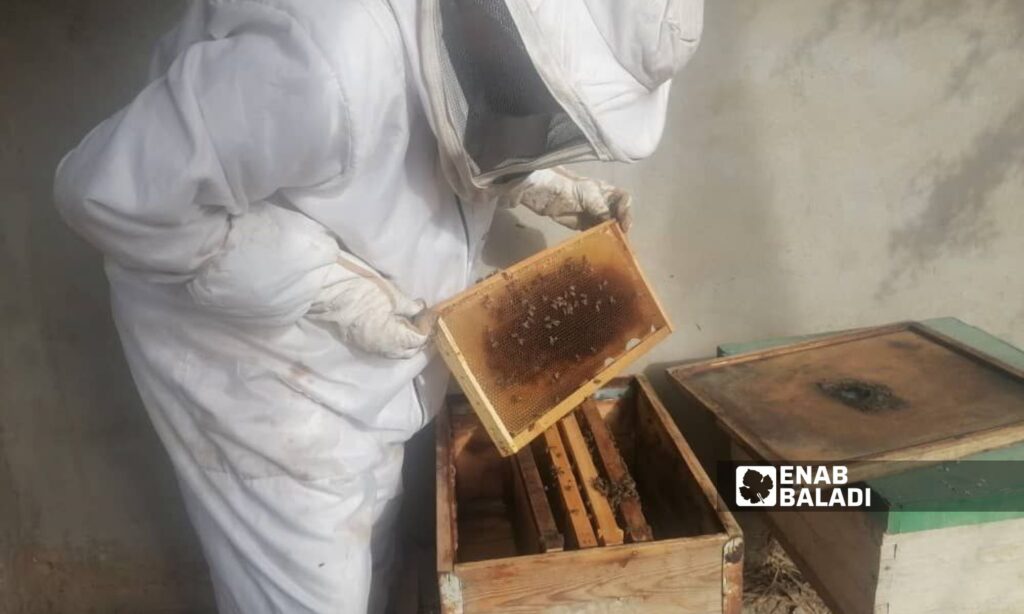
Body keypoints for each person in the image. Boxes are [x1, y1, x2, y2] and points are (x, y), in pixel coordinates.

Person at [53, 0, 703, 611]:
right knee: (310, 588)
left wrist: (545, 184)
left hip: (372, 352)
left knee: (371, 523)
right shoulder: (319, 61)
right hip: (254, 364)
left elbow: (461, 113)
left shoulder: (477, 48)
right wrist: (330, 290)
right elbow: (107, 195)